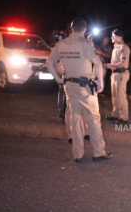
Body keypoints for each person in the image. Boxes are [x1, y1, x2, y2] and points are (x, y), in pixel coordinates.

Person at [47, 17, 112, 163]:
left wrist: (58, 79)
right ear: (84, 29)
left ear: (71, 28)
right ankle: (98, 152)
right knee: (93, 118)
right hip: (85, 87)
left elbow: (49, 62)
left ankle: (77, 154)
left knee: (75, 119)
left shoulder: (61, 44)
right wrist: (100, 82)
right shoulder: (86, 44)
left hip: (69, 85)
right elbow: (98, 63)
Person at [105, 29, 131, 124]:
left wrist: (110, 65)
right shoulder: (115, 47)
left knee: (121, 96)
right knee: (114, 96)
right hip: (115, 74)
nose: (111, 38)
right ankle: (115, 114)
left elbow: (123, 63)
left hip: (121, 74)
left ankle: (124, 117)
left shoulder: (124, 48)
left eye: (113, 36)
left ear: (120, 37)